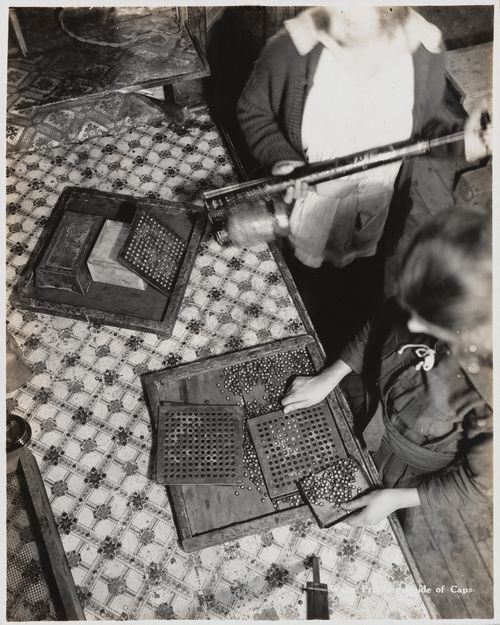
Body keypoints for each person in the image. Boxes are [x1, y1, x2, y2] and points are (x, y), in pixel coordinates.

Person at [237, 6, 491, 276]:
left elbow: (425, 127)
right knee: (299, 287)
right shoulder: (290, 49)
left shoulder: (423, 49)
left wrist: (463, 140)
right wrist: (282, 157)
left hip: (375, 222)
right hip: (299, 223)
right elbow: (254, 112)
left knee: (360, 290)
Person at [281, 208, 492, 525]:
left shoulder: (490, 397)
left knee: (368, 520)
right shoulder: (436, 293)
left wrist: (397, 499)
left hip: (406, 471)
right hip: (368, 403)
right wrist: (331, 374)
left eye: (428, 321)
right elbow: (380, 323)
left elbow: (480, 485)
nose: (411, 322)